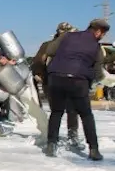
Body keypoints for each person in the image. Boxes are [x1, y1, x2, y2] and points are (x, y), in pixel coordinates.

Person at [44, 18, 109, 161]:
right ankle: (94, 150)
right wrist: (100, 79)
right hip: (78, 81)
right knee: (86, 115)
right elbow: (98, 72)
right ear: (98, 32)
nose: (102, 37)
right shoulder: (97, 47)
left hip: (56, 77)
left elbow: (49, 50)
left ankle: (51, 145)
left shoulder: (67, 36)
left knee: (56, 112)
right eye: (103, 34)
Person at [32, 22, 81, 146]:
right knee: (61, 111)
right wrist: (38, 73)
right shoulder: (49, 45)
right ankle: (57, 138)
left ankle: (67, 136)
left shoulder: (73, 46)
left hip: (65, 81)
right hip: (53, 81)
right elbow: (37, 61)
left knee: (67, 110)